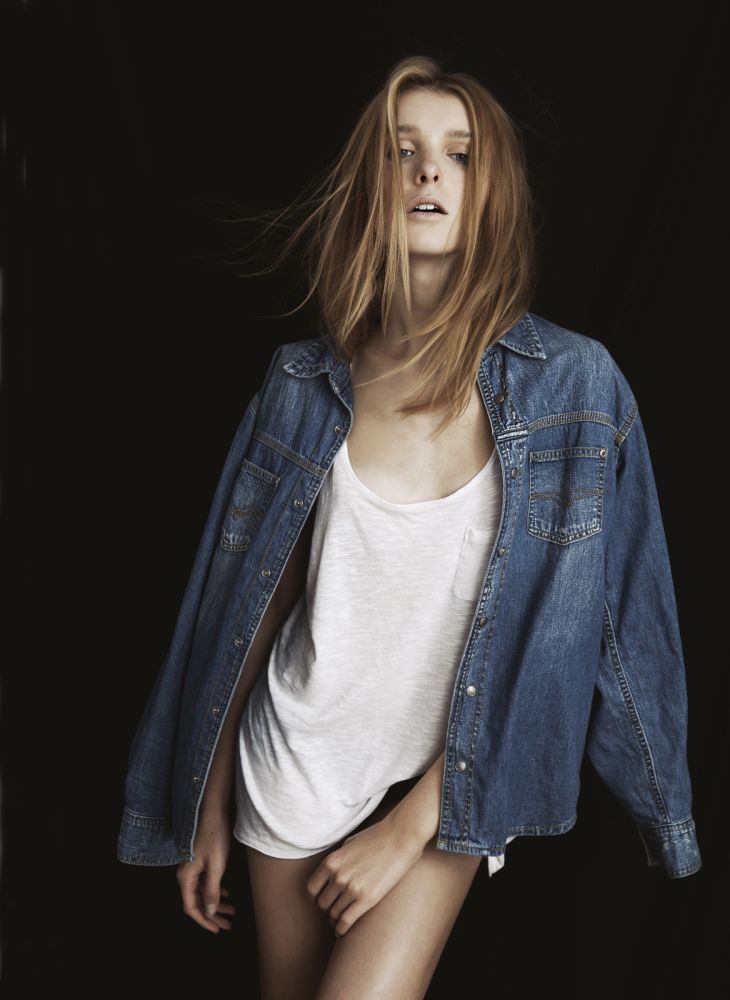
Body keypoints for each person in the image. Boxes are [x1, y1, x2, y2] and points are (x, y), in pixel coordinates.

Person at [117, 55, 702, 999]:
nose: (430, 170)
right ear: (374, 185)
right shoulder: (299, 384)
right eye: (404, 151)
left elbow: (601, 627)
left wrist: (416, 823)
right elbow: (247, 605)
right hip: (294, 761)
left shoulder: (574, 389)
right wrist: (205, 803)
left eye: (460, 154)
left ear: (492, 191)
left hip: (452, 781)